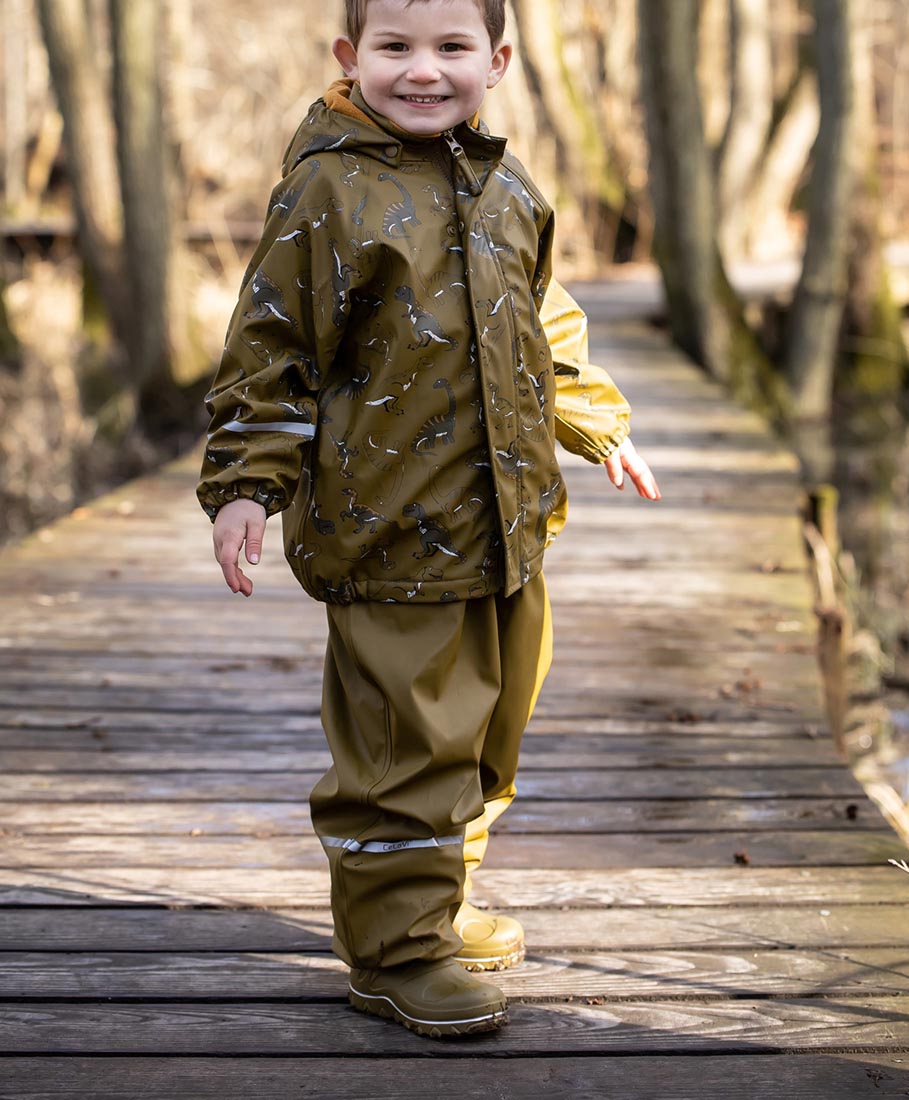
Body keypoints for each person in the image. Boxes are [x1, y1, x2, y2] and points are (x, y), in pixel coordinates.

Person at [197, 0, 660, 1039]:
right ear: (349, 58)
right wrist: (245, 480)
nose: (422, 72)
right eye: (395, 49)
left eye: (451, 48)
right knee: (409, 748)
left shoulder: (503, 181)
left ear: (496, 61)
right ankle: (393, 952)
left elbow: (541, 316)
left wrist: (594, 418)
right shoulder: (325, 191)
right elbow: (272, 347)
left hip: (506, 526)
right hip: (388, 534)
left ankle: (436, 900)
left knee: (491, 734)